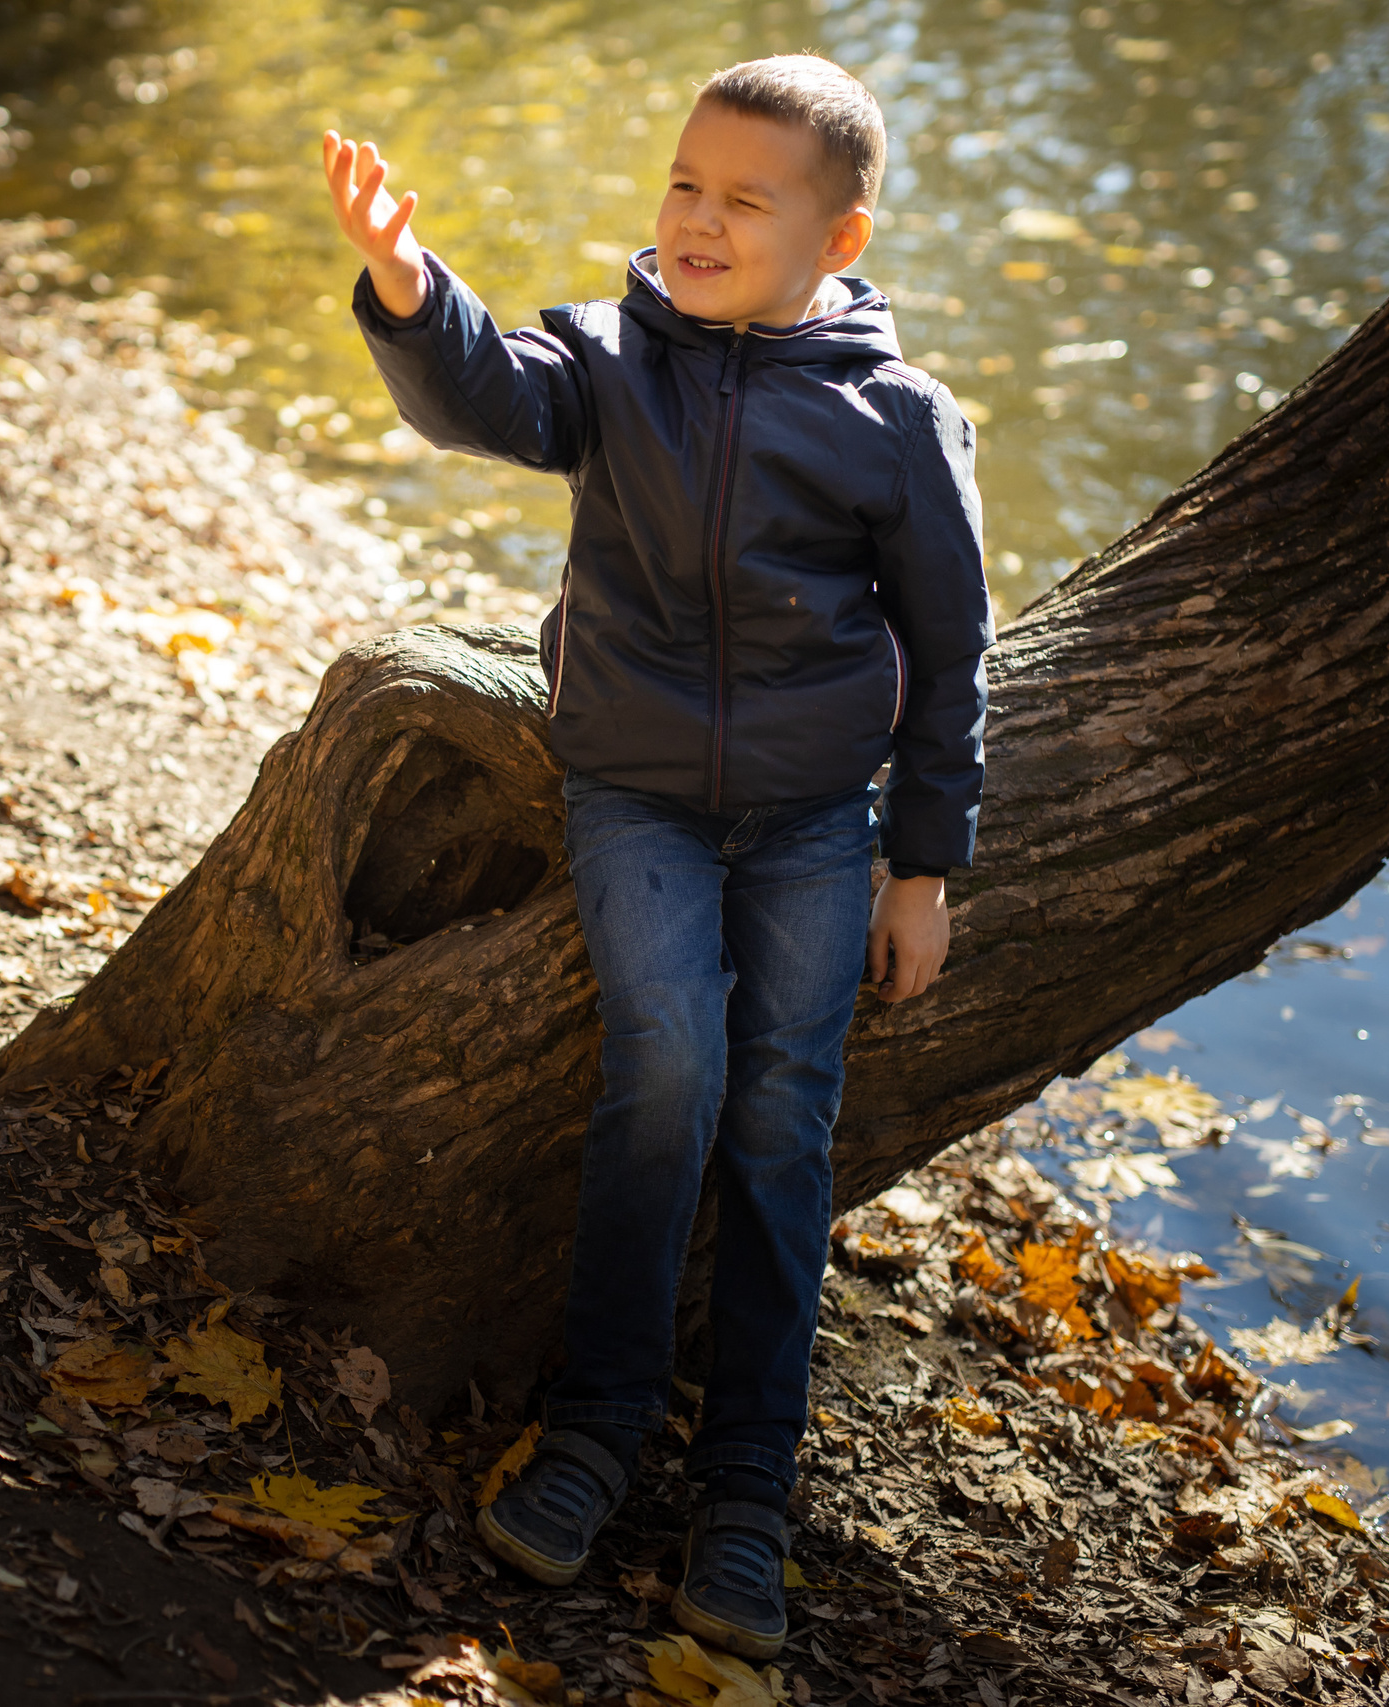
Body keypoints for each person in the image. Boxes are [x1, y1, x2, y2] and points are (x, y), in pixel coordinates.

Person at [321, 53, 990, 1659]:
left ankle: (747, 1483)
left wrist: (923, 864)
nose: (695, 219)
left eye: (743, 201)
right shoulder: (610, 360)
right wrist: (411, 286)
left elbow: (950, 651)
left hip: (820, 823)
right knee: (670, 1068)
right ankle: (601, 1427)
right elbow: (488, 396)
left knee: (780, 1120)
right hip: (631, 795)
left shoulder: (900, 423)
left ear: (838, 240)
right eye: (685, 184)